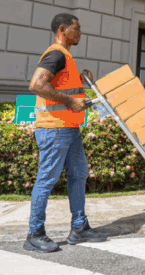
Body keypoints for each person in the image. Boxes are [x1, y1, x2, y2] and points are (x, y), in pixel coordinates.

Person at [25, 13, 107, 253]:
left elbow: (62, 87)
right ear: (63, 29)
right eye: (77, 28)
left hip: (69, 129)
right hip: (54, 129)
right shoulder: (56, 54)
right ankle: (34, 234)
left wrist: (83, 83)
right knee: (46, 181)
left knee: (79, 174)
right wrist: (71, 101)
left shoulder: (66, 57)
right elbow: (37, 85)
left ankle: (79, 228)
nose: (80, 33)